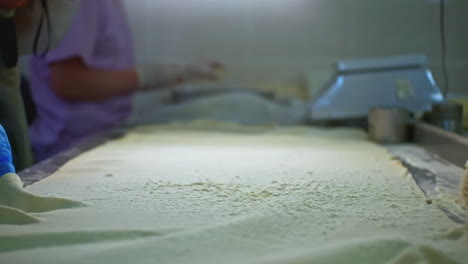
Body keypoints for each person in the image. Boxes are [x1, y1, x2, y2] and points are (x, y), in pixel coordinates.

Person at [28, 0, 223, 161]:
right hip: (73, 146)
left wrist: (181, 72)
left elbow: (108, 67)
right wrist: (153, 75)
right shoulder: (84, 4)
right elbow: (68, 82)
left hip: (107, 134)